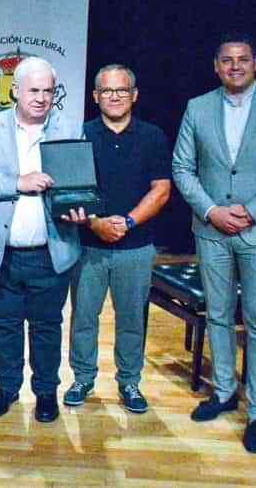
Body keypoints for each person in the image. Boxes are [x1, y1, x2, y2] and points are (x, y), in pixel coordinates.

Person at [172, 35, 256, 453]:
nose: (235, 67)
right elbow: (182, 167)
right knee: (217, 314)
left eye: (242, 60)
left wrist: (251, 211)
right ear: (216, 66)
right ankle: (225, 392)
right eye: (227, 61)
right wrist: (212, 210)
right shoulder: (197, 107)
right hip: (212, 229)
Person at [0, 56, 85, 423]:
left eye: (48, 91)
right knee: (4, 324)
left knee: (47, 326)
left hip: (51, 252)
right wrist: (18, 183)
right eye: (34, 90)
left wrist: (79, 207)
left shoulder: (69, 128)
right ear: (16, 92)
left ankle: (45, 392)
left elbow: (79, 185)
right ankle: (6, 387)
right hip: (3, 251)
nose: (41, 98)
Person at [62, 64, 171, 413]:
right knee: (83, 318)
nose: (114, 96)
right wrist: (94, 222)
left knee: (131, 319)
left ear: (134, 95)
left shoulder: (152, 136)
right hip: (89, 246)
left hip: (136, 247)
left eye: (121, 90)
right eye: (106, 91)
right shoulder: (81, 136)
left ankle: (130, 383)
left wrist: (126, 222)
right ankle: (82, 378)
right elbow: (71, 190)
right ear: (95, 97)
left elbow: (162, 190)